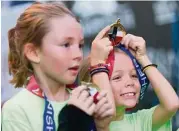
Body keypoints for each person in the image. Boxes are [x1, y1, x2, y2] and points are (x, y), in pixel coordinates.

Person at [1, 2, 115, 131]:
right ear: (33, 52)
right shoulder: (16, 110)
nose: (78, 55)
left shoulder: (88, 98)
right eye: (66, 45)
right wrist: (72, 124)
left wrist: (102, 127)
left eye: (80, 45)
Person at [79, 27, 179, 130]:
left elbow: (172, 104)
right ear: (92, 87)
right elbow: (106, 113)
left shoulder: (141, 121)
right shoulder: (82, 126)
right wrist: (98, 63)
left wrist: (143, 58)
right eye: (117, 77)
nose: (130, 82)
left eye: (134, 76)